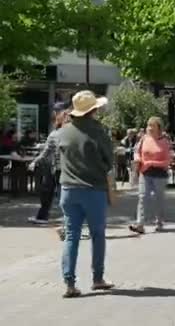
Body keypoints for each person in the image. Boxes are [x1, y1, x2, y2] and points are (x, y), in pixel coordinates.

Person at [58, 90, 114, 298]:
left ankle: (69, 282)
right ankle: (97, 278)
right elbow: (109, 161)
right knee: (97, 235)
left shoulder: (63, 131)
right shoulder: (98, 131)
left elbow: (58, 158)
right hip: (93, 189)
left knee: (71, 236)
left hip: (68, 189)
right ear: (93, 110)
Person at [128, 117, 173, 234]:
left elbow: (168, 161)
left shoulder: (165, 141)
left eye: (152, 125)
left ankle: (159, 222)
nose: (149, 128)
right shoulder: (144, 139)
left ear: (159, 128)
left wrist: (151, 163)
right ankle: (140, 224)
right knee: (142, 197)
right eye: (148, 125)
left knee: (159, 199)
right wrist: (138, 159)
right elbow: (136, 151)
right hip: (145, 173)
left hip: (159, 174)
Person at [27, 104, 69, 224]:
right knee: (47, 192)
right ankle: (42, 217)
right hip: (55, 169)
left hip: (66, 170)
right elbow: (46, 151)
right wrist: (35, 161)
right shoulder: (54, 133)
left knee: (64, 198)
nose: (56, 115)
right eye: (57, 113)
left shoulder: (71, 131)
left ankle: (70, 224)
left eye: (58, 112)